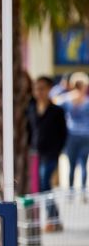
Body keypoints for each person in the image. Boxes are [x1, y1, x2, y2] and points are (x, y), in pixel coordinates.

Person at [27, 75, 67, 229]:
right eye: (36, 88)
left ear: (50, 89)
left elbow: (63, 134)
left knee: (44, 184)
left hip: (50, 154)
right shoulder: (30, 108)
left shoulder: (56, 111)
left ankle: (52, 219)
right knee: (42, 186)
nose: (39, 92)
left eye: (42, 88)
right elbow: (28, 131)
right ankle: (55, 219)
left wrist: (57, 151)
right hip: (35, 154)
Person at [59, 71, 89, 193]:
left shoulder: (67, 99)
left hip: (71, 134)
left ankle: (70, 192)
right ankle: (82, 191)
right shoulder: (87, 101)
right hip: (86, 135)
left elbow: (54, 101)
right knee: (83, 164)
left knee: (71, 164)